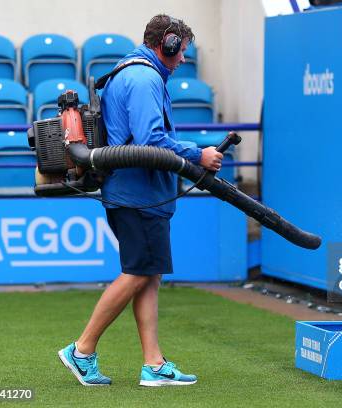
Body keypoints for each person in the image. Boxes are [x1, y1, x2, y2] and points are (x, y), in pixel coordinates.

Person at [58, 14, 223, 387]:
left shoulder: (132, 72)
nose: (183, 59)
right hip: (139, 196)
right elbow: (152, 141)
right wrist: (200, 154)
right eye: (181, 51)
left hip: (136, 194)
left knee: (148, 276)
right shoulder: (144, 77)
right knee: (137, 273)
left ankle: (153, 364)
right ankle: (81, 351)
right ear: (165, 44)